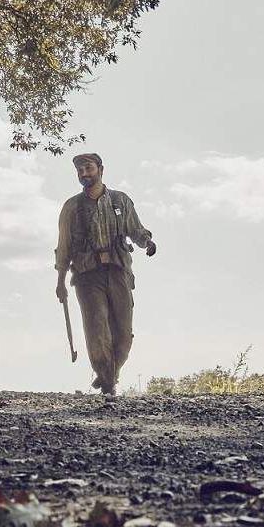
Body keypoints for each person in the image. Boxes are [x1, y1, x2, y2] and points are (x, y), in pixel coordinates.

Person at [54, 153, 156, 396]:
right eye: (80, 171)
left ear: (101, 169)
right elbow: (64, 245)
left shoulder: (120, 201)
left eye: (88, 168)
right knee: (97, 329)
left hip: (119, 271)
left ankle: (109, 373)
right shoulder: (72, 207)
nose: (84, 174)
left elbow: (136, 229)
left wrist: (147, 242)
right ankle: (108, 384)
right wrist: (60, 282)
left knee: (123, 334)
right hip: (87, 275)